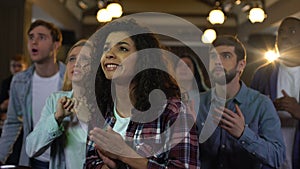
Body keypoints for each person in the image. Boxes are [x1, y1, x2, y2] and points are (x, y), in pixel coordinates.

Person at [85, 19, 200, 169]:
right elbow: (89, 163)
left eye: (123, 49)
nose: (110, 54)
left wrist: (124, 154)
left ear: (143, 59)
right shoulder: (99, 112)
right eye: (106, 48)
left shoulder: (173, 111)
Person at [196, 35, 285, 169]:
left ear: (241, 65)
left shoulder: (261, 104)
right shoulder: (197, 103)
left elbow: (277, 157)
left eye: (226, 56)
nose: (217, 62)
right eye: (213, 57)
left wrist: (243, 134)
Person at [0, 19, 65, 168]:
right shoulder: (20, 81)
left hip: (64, 160)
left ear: (56, 45)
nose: (34, 42)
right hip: (32, 159)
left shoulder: (70, 78)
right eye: (31, 37)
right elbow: (12, 123)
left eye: (41, 37)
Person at [26, 39, 93, 169]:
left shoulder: (106, 103)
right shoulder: (55, 100)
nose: (77, 63)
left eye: (84, 59)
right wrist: (57, 118)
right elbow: (31, 149)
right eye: (72, 59)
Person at [251, 17, 300, 169]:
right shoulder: (263, 74)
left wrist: (298, 111)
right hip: (271, 159)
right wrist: (268, 109)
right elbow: (249, 116)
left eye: (292, 31)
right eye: (281, 32)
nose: (284, 36)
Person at [0, 54, 28, 122]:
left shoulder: (30, 82)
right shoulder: (6, 83)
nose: (16, 69)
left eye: (19, 66)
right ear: (10, 68)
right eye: (13, 66)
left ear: (26, 67)